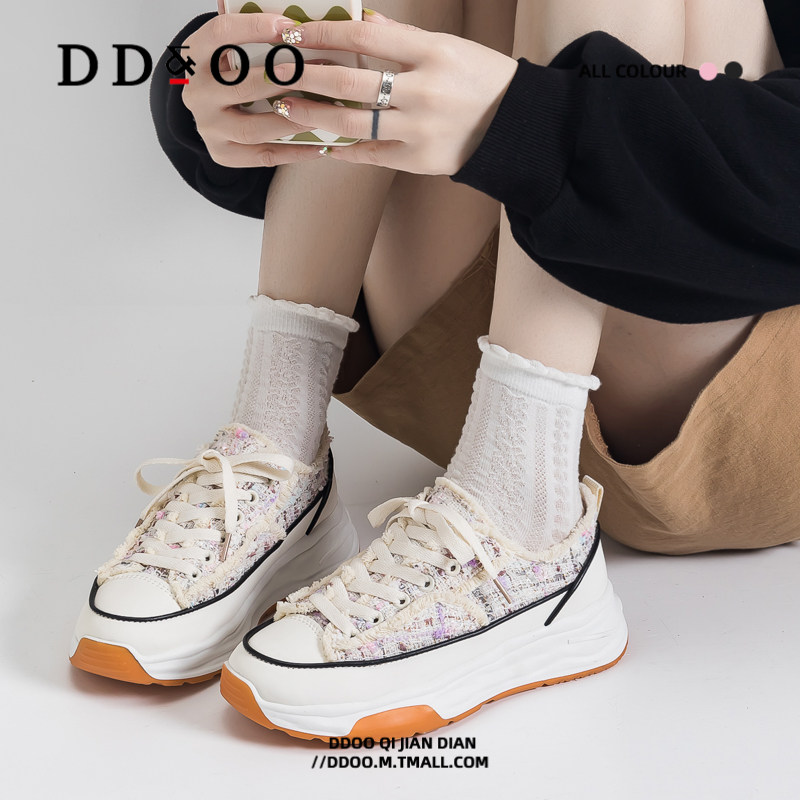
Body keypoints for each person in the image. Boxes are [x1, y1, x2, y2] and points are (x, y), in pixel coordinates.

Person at [70, 0, 800, 741]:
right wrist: (214, 81)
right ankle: (276, 443)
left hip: (737, 398)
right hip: (471, 353)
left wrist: (540, 125)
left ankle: (526, 521)